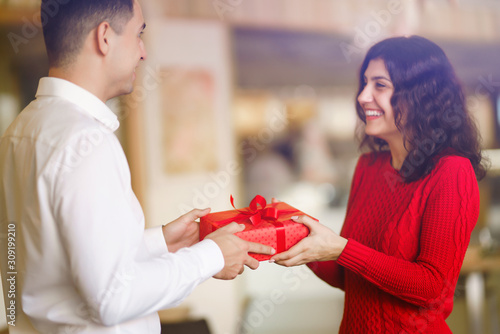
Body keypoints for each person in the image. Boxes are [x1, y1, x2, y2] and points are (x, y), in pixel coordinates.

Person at [0, 0, 274, 333]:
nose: (143, 52)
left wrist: (160, 243)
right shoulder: (86, 141)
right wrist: (212, 256)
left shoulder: (19, 132)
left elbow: (33, 262)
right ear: (104, 37)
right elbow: (112, 297)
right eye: (138, 34)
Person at [271, 35, 487, 333]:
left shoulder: (451, 172)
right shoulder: (368, 167)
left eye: (380, 85)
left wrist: (342, 248)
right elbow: (345, 277)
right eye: (365, 83)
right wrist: (294, 232)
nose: (362, 96)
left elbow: (432, 288)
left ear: (421, 95)